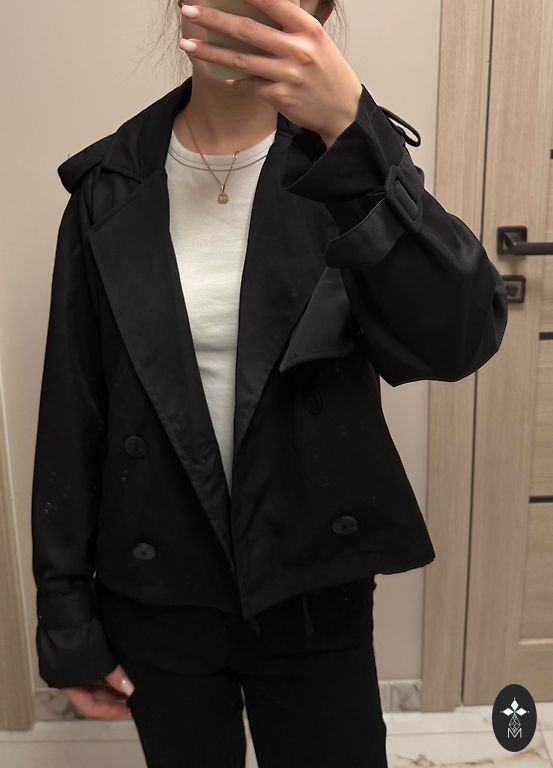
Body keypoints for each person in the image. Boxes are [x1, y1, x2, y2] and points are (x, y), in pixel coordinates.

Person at [30, 1, 508, 766]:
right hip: (157, 590)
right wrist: (67, 619)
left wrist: (354, 133)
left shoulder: (342, 164)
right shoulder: (109, 187)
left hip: (311, 582)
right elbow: (72, 412)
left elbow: (457, 341)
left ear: (317, 10)